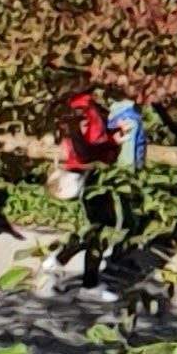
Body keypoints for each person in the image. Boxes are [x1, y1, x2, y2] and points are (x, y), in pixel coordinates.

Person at [54, 89, 125, 290]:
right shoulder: (80, 108)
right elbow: (82, 150)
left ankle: (60, 258)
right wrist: (112, 142)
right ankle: (89, 285)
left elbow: (94, 138)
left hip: (95, 172)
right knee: (101, 228)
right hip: (89, 173)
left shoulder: (86, 104)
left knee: (103, 225)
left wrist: (113, 137)